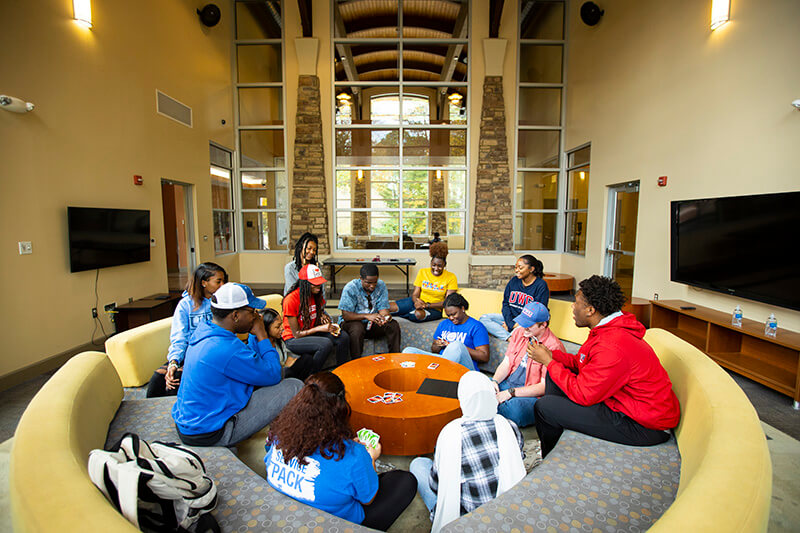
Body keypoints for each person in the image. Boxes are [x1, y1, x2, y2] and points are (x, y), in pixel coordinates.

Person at [530, 275, 681, 458]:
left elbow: (583, 394)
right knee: (554, 378)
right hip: (621, 403)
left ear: (590, 310)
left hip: (642, 425)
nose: (572, 306)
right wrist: (552, 355)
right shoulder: (606, 330)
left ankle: (549, 458)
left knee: (545, 407)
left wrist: (548, 362)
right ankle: (561, 436)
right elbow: (581, 363)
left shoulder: (612, 346)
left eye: (576, 302)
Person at [265, 372, 416, 531]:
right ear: (340, 408)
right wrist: (370, 458)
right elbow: (368, 499)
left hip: (286, 514)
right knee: (405, 480)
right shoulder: (355, 455)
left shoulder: (279, 433)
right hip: (334, 524)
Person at [172, 283, 303, 447]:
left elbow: (249, 361)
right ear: (235, 316)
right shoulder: (226, 348)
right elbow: (274, 374)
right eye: (252, 312)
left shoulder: (205, 330)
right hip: (211, 432)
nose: (257, 317)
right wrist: (262, 334)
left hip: (190, 423)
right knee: (293, 386)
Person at [409, 371, 526, 533]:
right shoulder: (509, 425)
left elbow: (436, 486)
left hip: (465, 521)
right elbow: (519, 459)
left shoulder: (451, 434)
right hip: (509, 514)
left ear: (462, 400)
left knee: (418, 464)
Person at [146, 262, 227, 398]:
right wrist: (174, 362)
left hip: (213, 352)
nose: (222, 285)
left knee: (179, 377)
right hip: (190, 353)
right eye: (218, 281)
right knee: (158, 379)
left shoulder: (223, 301)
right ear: (204, 283)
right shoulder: (185, 305)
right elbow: (179, 337)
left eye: (223, 281)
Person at [490, 301, 565, 428]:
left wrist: (510, 393)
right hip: (509, 384)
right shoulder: (520, 332)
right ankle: (493, 410)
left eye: (529, 325)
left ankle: (488, 410)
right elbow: (507, 362)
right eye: (523, 322)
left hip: (532, 395)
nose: (524, 327)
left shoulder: (554, 347)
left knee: (515, 411)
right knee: (479, 387)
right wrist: (494, 381)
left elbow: (543, 387)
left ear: (543, 325)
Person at [282, 264, 351, 380]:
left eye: (320, 282)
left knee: (343, 337)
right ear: (305, 283)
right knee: (325, 344)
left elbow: (315, 314)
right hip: (293, 339)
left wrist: (323, 319)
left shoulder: (315, 295)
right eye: (315, 283)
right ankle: (312, 377)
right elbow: (296, 334)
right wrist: (320, 328)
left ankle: (340, 372)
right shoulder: (291, 300)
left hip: (310, 332)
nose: (319, 286)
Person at [402, 293, 489, 371]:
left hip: (463, 367)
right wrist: (437, 344)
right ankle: (435, 374)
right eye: (448, 315)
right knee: (408, 351)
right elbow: (434, 350)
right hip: (442, 361)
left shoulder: (476, 326)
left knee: (456, 345)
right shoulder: (443, 324)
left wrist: (458, 348)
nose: (451, 318)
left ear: (462, 308)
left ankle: (437, 374)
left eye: (454, 314)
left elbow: (484, 356)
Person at [480, 255, 549, 340]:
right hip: (511, 319)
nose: (517, 271)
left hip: (527, 323)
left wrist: (517, 324)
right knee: (484, 318)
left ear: (531, 269)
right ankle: (510, 337)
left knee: (522, 330)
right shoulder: (514, 281)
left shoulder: (541, 285)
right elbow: (505, 303)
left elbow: (537, 313)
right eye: (516, 267)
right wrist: (510, 323)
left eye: (520, 268)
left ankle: (512, 334)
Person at [338, 264, 401, 357]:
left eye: (375, 282)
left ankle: (395, 358)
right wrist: (367, 316)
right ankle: (356, 363)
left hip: (371, 325)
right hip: (352, 323)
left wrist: (384, 318)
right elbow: (346, 316)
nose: (372, 286)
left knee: (393, 325)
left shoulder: (381, 285)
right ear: (361, 279)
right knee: (357, 328)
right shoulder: (351, 287)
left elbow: (383, 309)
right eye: (368, 283)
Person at [390, 242, 457, 322]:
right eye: (434, 265)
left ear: (444, 265)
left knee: (417, 315)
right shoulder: (422, 272)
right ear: (431, 263)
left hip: (434, 308)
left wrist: (427, 305)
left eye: (439, 266)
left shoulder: (451, 277)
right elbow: (415, 294)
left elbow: (448, 302)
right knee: (388, 308)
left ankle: (405, 313)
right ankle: (407, 312)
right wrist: (416, 302)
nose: (436, 268)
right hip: (416, 302)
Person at [248, 308, 297, 377]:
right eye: (277, 327)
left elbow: (287, 357)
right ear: (266, 328)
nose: (282, 328)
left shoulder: (278, 340)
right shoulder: (256, 348)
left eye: (281, 324)